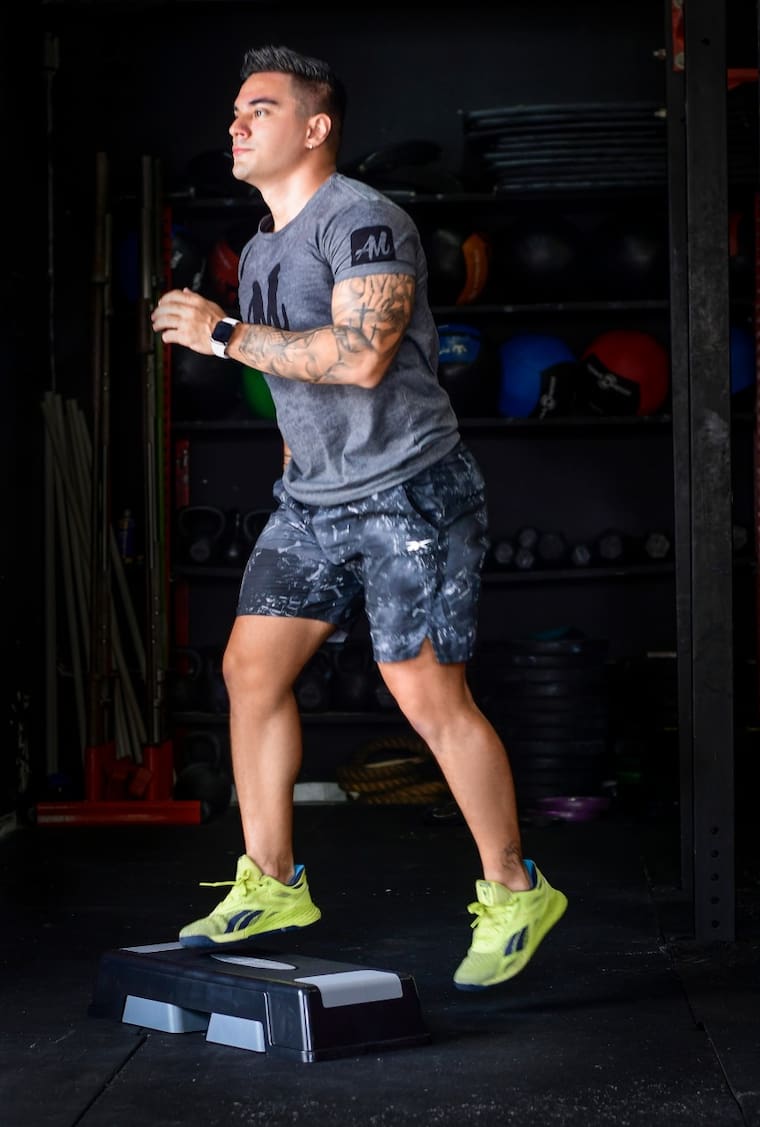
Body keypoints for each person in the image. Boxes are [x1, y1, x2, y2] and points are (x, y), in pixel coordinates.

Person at [151, 43, 567, 991]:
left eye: (259, 109)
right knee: (250, 670)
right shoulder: (263, 246)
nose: (236, 125)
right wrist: (296, 466)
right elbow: (295, 389)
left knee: (425, 693)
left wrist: (221, 332)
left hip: (409, 489)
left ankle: (516, 889)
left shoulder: (363, 219)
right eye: (233, 112)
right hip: (314, 499)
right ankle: (271, 881)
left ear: (316, 126)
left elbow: (361, 355)